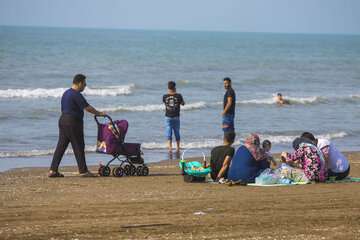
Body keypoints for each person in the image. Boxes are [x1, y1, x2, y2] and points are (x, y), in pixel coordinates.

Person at [49, 74, 105, 177]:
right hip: (73, 122)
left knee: (61, 146)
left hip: (63, 120)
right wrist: (99, 113)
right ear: (79, 83)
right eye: (84, 83)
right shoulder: (76, 94)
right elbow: (87, 107)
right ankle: (83, 171)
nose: (85, 86)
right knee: (79, 146)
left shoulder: (66, 93)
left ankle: (53, 170)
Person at [163, 81, 185, 152]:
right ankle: (178, 147)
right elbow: (183, 103)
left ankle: (170, 148)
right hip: (176, 116)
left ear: (168, 87)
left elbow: (165, 103)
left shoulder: (165, 96)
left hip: (168, 116)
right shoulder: (178, 95)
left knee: (168, 131)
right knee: (177, 131)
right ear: (175, 87)